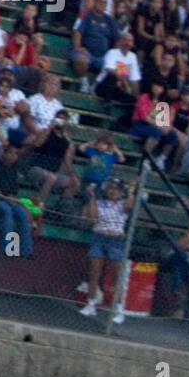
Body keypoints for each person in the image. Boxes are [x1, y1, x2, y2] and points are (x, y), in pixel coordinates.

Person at [79, 178, 135, 324]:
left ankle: (119, 309)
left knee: (117, 276)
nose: (113, 191)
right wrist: (91, 196)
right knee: (94, 273)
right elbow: (93, 217)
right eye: (111, 188)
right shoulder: (99, 203)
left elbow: (130, 205)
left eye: (116, 188)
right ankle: (91, 304)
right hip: (99, 238)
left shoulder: (122, 204)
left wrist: (131, 191)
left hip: (115, 240)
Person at [23, 108, 80, 207]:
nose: (60, 121)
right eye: (59, 118)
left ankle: (62, 207)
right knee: (51, 177)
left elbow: (67, 161)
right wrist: (50, 127)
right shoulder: (44, 132)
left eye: (63, 119)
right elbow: (37, 144)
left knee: (74, 183)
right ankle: (39, 205)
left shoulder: (67, 141)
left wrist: (72, 175)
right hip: (36, 169)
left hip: (53, 172)